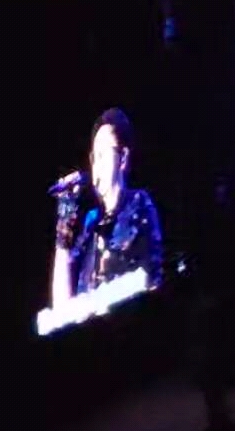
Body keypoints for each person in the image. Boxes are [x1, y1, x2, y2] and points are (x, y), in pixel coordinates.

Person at [49, 108, 168, 311]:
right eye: (95, 157)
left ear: (122, 158)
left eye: (104, 154)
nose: (97, 165)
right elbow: (62, 308)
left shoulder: (139, 203)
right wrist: (65, 219)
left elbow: (151, 278)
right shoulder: (91, 224)